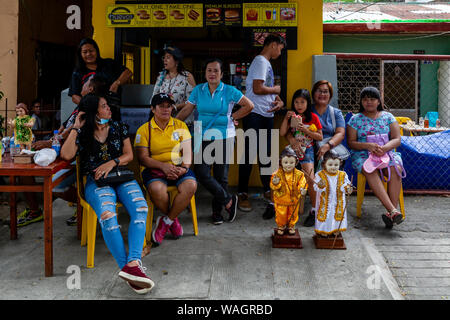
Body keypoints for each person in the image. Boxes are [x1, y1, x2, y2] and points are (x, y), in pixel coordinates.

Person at [60, 94, 154, 294]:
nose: (109, 109)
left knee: (141, 208)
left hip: (122, 177)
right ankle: (129, 269)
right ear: (94, 112)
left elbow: (129, 155)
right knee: (108, 217)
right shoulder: (82, 133)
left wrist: (111, 162)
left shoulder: (119, 127)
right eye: (104, 106)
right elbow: (67, 155)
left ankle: (133, 264)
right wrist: (76, 126)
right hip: (96, 182)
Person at [177, 58, 254, 225]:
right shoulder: (198, 90)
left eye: (216, 71)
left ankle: (217, 213)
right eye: (209, 70)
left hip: (224, 137)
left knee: (221, 176)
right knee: (202, 173)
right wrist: (172, 123)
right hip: (201, 136)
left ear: (221, 74)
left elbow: (249, 106)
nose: (212, 74)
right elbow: (187, 110)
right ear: (205, 73)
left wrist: (234, 116)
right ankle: (228, 201)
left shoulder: (230, 91)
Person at [135, 93, 197, 246]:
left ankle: (166, 221)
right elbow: (143, 158)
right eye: (161, 106)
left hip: (178, 167)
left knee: (191, 185)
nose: (165, 109)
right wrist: (163, 166)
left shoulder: (180, 126)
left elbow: (188, 153)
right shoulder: (144, 130)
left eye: (168, 106)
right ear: (153, 109)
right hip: (154, 168)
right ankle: (173, 220)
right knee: (157, 189)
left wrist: (184, 168)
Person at [237, 34, 285, 217]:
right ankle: (242, 193)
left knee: (266, 155)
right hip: (255, 114)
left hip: (266, 114)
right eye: (280, 49)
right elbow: (257, 89)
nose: (280, 53)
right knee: (249, 154)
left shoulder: (266, 63)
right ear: (273, 45)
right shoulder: (260, 61)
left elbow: (265, 90)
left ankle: (267, 189)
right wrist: (277, 89)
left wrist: (278, 100)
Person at [287, 80, 346, 227]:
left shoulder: (335, 113)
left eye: (326, 91)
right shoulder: (306, 109)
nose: (322, 94)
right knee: (304, 171)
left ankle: (326, 208)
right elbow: (290, 130)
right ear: (313, 94)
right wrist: (292, 141)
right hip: (307, 147)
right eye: (319, 91)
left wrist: (327, 145)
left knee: (329, 167)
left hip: (327, 147)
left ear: (330, 95)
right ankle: (311, 208)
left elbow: (340, 133)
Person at [347, 87, 405, 228]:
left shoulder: (388, 117)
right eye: (365, 99)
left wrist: (385, 148)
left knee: (396, 167)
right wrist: (368, 146)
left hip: (386, 152)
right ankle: (392, 211)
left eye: (372, 99)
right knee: (369, 169)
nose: (369, 102)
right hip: (363, 154)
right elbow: (351, 143)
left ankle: (391, 214)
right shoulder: (355, 120)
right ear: (361, 102)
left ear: (379, 101)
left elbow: (397, 139)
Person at [280, 89, 323, 218]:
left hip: (308, 149)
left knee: (310, 178)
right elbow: (282, 133)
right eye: (296, 102)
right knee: (279, 172)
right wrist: (286, 119)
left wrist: (306, 129)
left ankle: (315, 210)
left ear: (307, 103)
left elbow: (320, 137)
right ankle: (276, 203)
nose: (299, 105)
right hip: (293, 149)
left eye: (302, 102)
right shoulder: (293, 117)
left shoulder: (313, 117)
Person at [68, 38, 132, 106]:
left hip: (111, 107)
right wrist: (88, 106)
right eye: (85, 52)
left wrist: (116, 84)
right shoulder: (78, 72)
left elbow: (128, 73)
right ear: (80, 54)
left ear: (97, 51)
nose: (88, 54)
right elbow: (74, 96)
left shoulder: (108, 63)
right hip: (91, 110)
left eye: (91, 51)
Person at [151, 46, 196, 134]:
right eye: (164, 57)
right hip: (164, 125)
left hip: (183, 124)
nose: (164, 60)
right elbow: (153, 99)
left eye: (168, 57)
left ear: (176, 61)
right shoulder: (161, 77)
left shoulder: (187, 77)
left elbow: (193, 101)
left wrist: (175, 107)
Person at [307, 152, 352, 237]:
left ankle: (336, 230)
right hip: (325, 201)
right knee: (326, 216)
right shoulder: (320, 174)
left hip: (337, 201)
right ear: (324, 164)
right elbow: (315, 186)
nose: (333, 167)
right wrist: (320, 186)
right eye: (330, 164)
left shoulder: (343, 174)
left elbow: (346, 185)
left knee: (337, 215)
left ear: (340, 164)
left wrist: (347, 188)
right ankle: (324, 230)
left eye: (336, 165)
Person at [270, 146, 307, 236]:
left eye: (291, 162)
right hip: (281, 199)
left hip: (293, 200)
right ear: (281, 162)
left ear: (296, 162)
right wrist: (275, 183)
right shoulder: (276, 174)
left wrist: (302, 189)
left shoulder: (299, 174)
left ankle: (291, 226)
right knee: (281, 214)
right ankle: (281, 226)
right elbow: (273, 186)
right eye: (285, 162)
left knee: (293, 214)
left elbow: (303, 183)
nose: (288, 165)